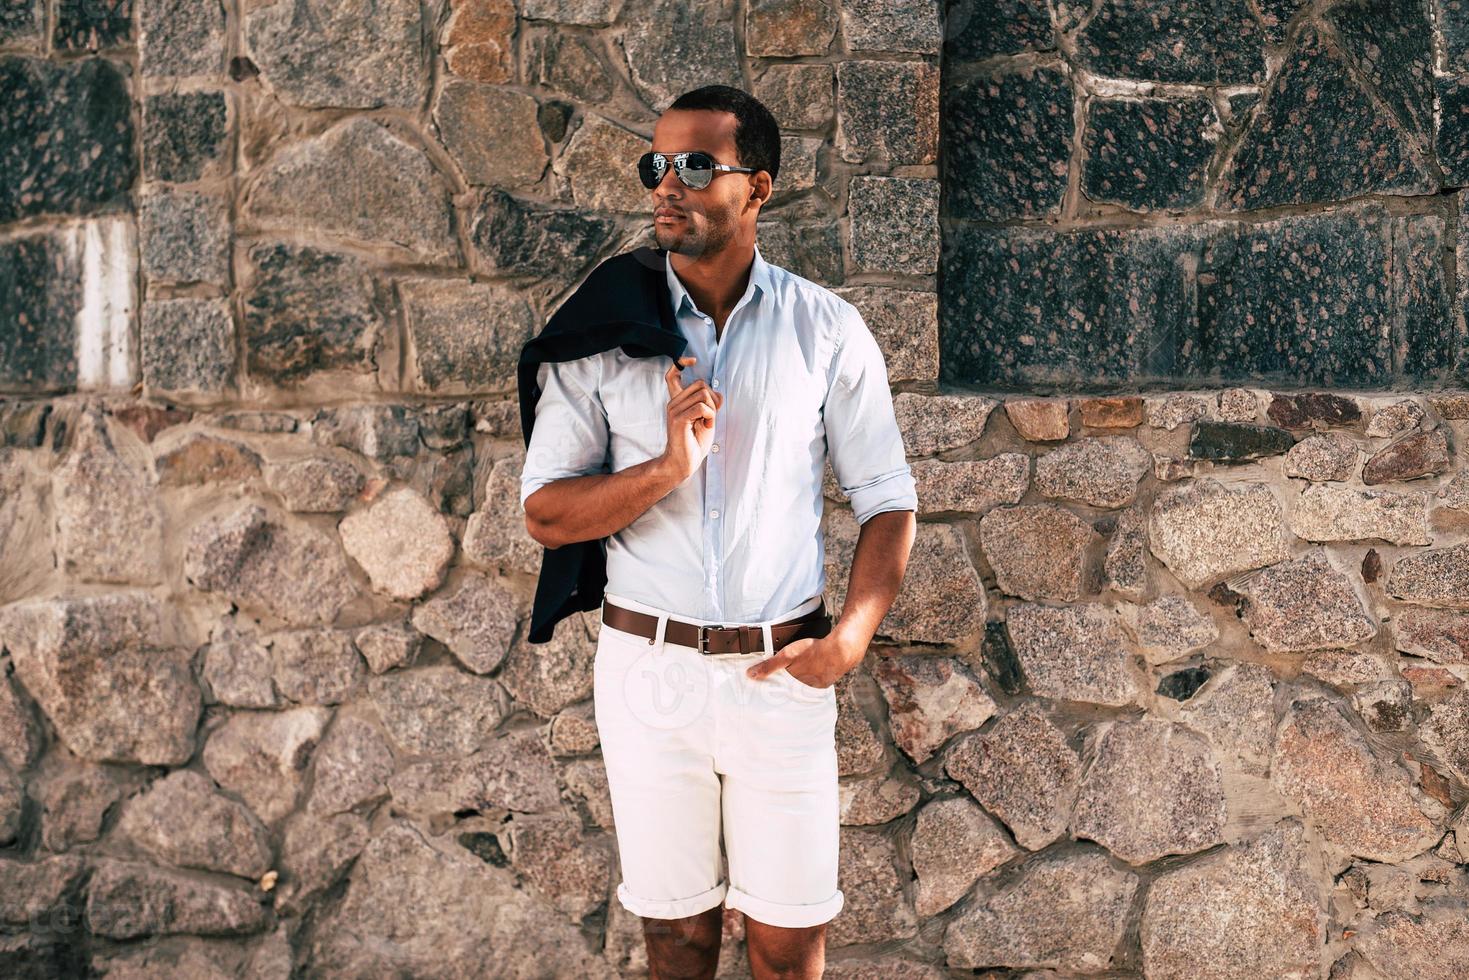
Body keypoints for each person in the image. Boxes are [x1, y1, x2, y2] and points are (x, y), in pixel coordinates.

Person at [520, 84, 917, 980]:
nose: (668, 184)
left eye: (696, 165)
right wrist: (664, 470)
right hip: (648, 676)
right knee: (677, 937)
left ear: (759, 188)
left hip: (780, 677)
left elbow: (887, 497)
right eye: (655, 165)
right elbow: (545, 512)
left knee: (787, 945)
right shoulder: (602, 333)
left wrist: (848, 640)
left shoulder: (826, 329)